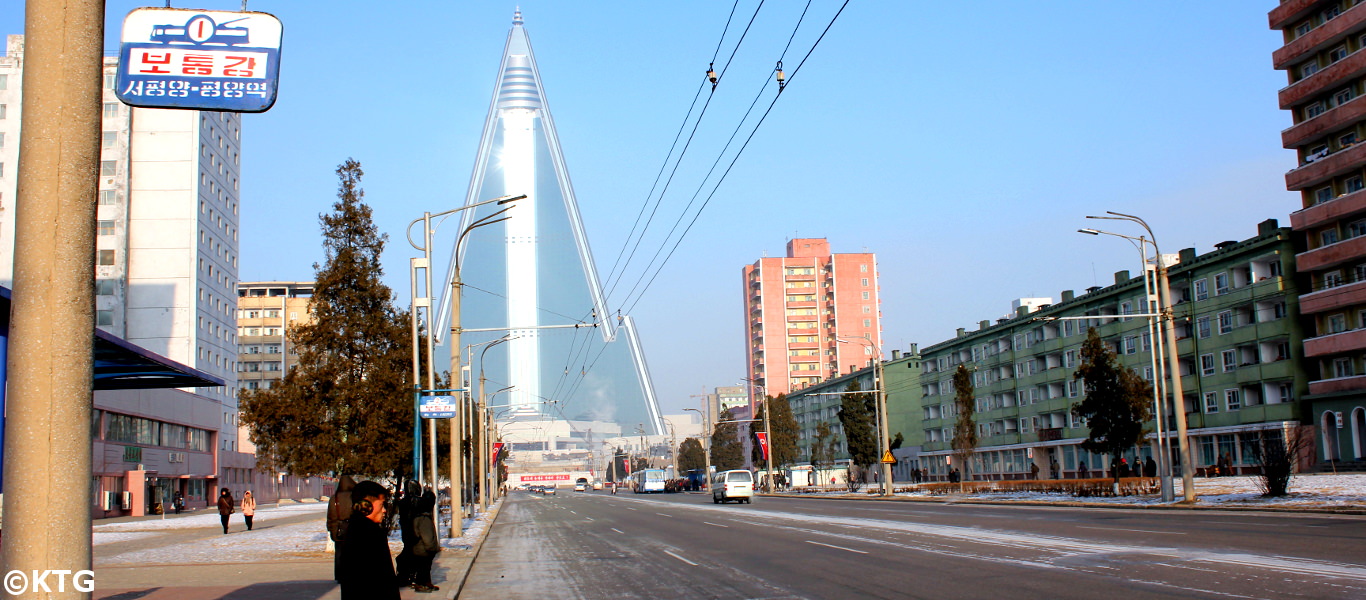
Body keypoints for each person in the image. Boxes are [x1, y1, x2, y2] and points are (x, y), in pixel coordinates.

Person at [338, 480, 400, 600]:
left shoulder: (354, 529)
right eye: (382, 504)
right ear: (365, 506)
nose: (384, 510)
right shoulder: (370, 533)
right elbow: (382, 580)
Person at [409, 488, 442, 593]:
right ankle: (421, 584)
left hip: (421, 548)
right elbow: (427, 536)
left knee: (426, 568)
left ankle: (427, 583)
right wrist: (431, 548)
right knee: (423, 569)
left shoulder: (420, 515)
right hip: (423, 549)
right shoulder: (424, 517)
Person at [327, 475, 358, 584]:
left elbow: (331, 516)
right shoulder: (354, 497)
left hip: (338, 529)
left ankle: (340, 575)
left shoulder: (334, 498)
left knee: (339, 553)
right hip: (353, 528)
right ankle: (352, 574)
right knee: (353, 553)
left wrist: (331, 528)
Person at [395, 480, 422, 587]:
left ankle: (406, 575)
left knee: (408, 550)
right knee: (413, 552)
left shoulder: (403, 502)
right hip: (415, 530)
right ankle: (411, 575)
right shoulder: (419, 502)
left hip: (407, 531)